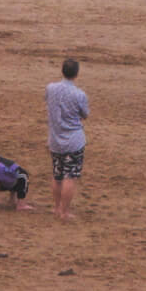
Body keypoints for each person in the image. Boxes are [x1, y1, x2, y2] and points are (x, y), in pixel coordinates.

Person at [46, 57, 90, 220]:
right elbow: (85, 114)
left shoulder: (50, 88)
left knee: (57, 174)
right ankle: (64, 211)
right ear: (76, 74)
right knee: (69, 176)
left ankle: (57, 208)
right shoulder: (79, 94)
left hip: (55, 139)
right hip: (73, 140)